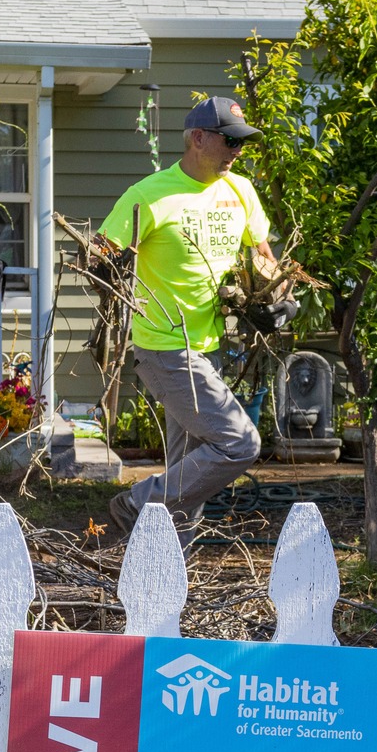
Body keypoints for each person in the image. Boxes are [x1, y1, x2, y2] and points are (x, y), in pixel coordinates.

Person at [101, 95, 284, 537]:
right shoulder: (148, 195)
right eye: (229, 141)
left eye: (242, 143)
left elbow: (263, 257)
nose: (237, 151)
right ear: (198, 138)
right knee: (240, 443)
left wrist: (276, 299)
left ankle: (164, 572)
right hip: (165, 347)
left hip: (209, 346)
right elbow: (100, 258)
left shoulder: (240, 191)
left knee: (188, 478)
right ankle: (135, 502)